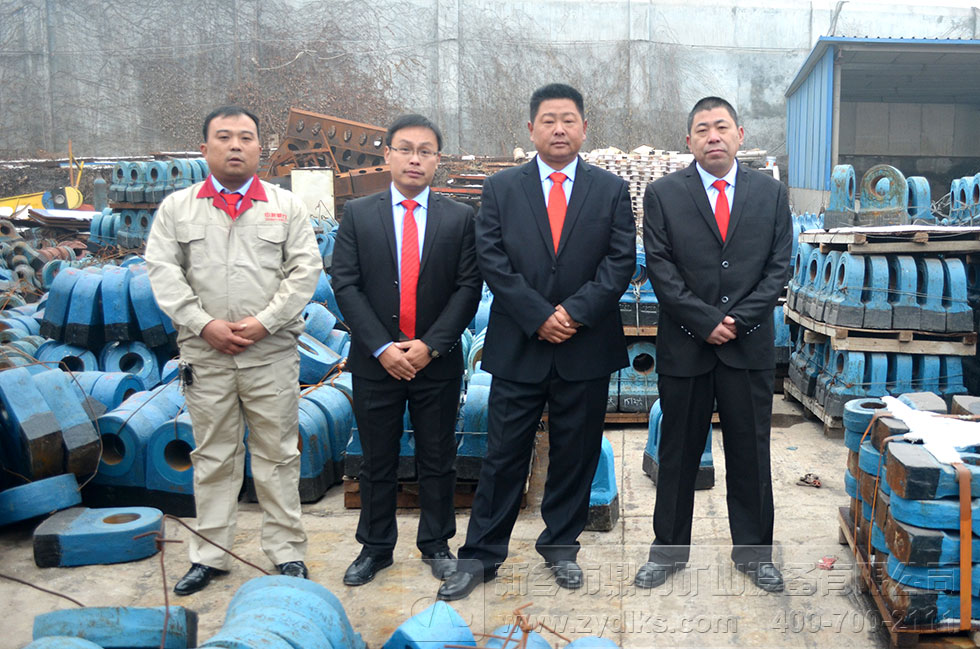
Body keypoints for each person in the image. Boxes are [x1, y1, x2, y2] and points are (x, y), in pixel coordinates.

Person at [437, 83, 636, 602]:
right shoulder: (502, 188)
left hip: (584, 345)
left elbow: (619, 262)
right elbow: (492, 257)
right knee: (503, 454)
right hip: (521, 344)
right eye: (549, 120)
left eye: (569, 120)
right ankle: (480, 556)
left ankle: (561, 547)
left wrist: (573, 313)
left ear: (585, 128)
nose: (559, 129)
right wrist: (538, 315)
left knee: (576, 453)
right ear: (531, 129)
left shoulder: (610, 190)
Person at [145, 105, 322, 595]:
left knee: (278, 455)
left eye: (246, 137)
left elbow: (305, 271)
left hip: (270, 356)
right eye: (224, 137)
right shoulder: (178, 209)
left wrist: (266, 322)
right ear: (205, 149)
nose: (236, 145)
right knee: (213, 456)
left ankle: (286, 551)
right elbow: (163, 272)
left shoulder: (285, 207)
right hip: (207, 358)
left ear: (260, 148)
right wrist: (204, 325)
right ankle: (210, 555)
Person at [635, 96, 792, 592]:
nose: (713, 137)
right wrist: (705, 321)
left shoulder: (769, 194)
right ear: (689, 140)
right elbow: (660, 267)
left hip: (748, 348)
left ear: (740, 135)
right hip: (687, 347)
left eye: (721, 127)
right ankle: (667, 551)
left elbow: (778, 268)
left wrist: (738, 320)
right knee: (678, 453)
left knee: (751, 454)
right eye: (702, 129)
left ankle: (755, 554)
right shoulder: (664, 195)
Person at [332, 114, 481, 586]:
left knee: (438, 457)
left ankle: (436, 543)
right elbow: (346, 283)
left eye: (425, 151)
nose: (415, 159)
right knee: (377, 458)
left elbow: (468, 287)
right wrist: (381, 346)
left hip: (435, 362)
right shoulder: (359, 214)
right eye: (405, 149)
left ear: (437, 159)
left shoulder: (459, 218)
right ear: (388, 155)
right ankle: (375, 548)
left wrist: (431, 346)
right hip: (376, 362)